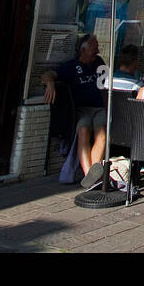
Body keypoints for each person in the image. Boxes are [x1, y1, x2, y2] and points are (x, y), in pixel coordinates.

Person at [43, 34, 108, 186]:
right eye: (94, 48)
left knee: (102, 134)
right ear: (82, 50)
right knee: (84, 131)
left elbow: (108, 82)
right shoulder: (71, 67)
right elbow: (48, 74)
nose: (97, 51)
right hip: (81, 110)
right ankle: (90, 175)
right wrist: (51, 84)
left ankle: (91, 177)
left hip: (98, 108)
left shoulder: (99, 63)